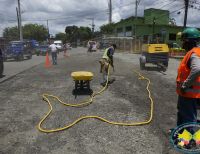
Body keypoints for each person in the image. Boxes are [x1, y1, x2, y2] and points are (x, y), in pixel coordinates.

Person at [175, 28, 200, 128]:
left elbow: (197, 69)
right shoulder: (194, 52)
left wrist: (185, 85)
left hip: (189, 93)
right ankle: (181, 135)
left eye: (183, 41)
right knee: (183, 114)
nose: (182, 44)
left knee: (188, 118)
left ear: (190, 41)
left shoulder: (194, 53)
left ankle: (189, 141)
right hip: (189, 93)